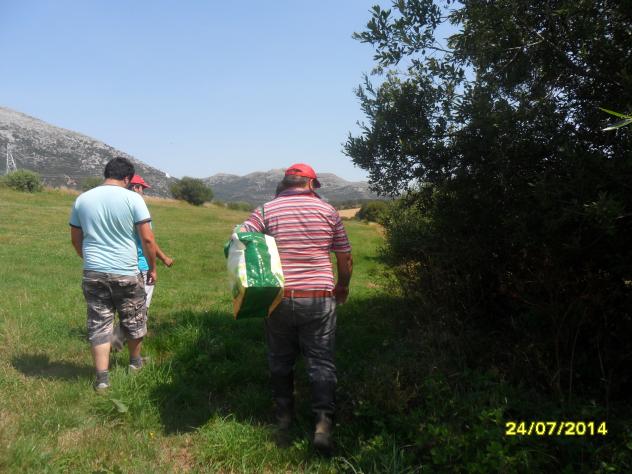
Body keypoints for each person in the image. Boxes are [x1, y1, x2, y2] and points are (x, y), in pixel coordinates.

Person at [240, 163, 353, 454]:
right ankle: (323, 424)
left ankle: (283, 418)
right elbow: (344, 257)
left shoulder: (265, 210)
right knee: (321, 361)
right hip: (319, 297)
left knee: (280, 358)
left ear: (286, 182)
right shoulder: (328, 211)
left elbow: (240, 237)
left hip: (278, 297)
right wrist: (342, 286)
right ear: (311, 184)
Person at [69, 157, 157, 392]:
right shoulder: (134, 199)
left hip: (93, 271)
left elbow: (76, 239)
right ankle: (135, 363)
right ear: (127, 178)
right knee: (134, 318)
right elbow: (147, 239)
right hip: (126, 271)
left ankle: (102, 379)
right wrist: (153, 268)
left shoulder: (82, 199)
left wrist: (89, 260)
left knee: (99, 323)